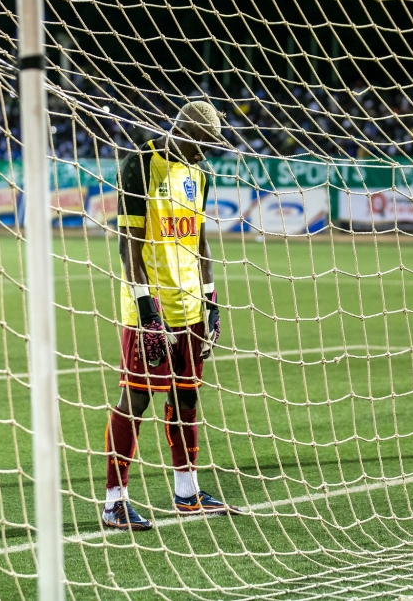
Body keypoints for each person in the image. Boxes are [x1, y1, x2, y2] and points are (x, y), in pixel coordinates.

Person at [102, 101, 242, 531]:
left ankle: (186, 492)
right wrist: (147, 311)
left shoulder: (200, 176)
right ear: (184, 131)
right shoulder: (140, 165)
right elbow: (129, 243)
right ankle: (114, 501)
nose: (207, 152)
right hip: (150, 309)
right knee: (137, 399)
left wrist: (211, 297)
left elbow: (199, 242)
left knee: (187, 399)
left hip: (190, 308)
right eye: (203, 143)